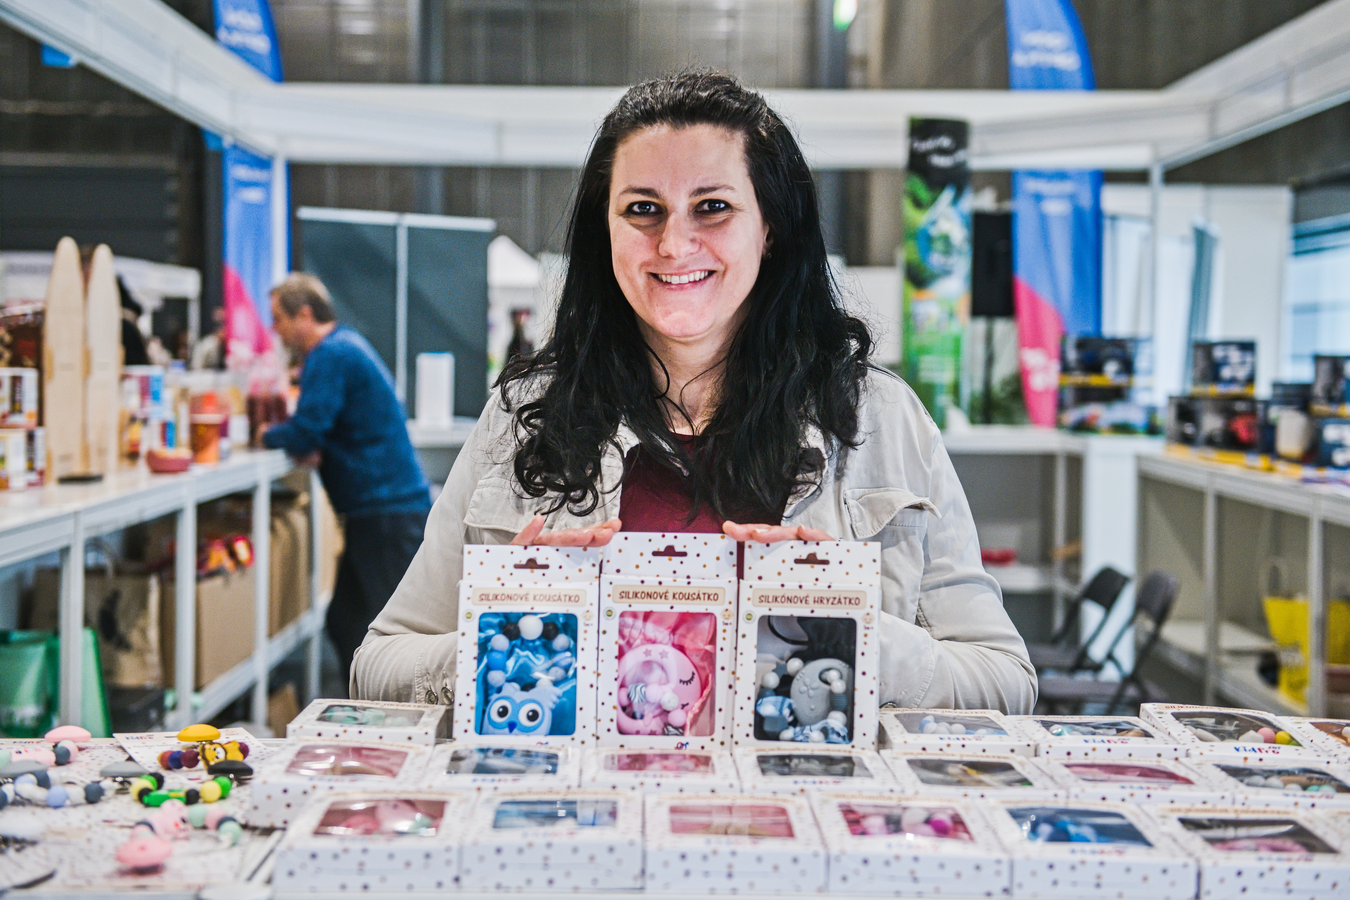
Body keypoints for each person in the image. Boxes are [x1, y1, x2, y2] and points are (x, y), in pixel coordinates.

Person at [352, 72, 1035, 713]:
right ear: (605, 230)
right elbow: (377, 666)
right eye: (642, 209)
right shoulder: (523, 418)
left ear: (770, 228)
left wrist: (850, 632)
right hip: (582, 799)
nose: (674, 244)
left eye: (712, 208)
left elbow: (1005, 682)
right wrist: (509, 635)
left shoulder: (881, 418)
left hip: (801, 799)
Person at [260, 273, 431, 691]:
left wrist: (263, 435)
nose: (275, 330)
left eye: (279, 318)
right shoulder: (346, 346)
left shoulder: (329, 355)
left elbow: (306, 431)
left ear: (305, 314)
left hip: (386, 515)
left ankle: (403, 714)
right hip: (381, 512)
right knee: (345, 621)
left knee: (394, 632)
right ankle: (364, 704)